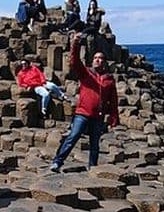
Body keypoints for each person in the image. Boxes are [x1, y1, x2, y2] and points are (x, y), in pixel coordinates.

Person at [50, 33, 118, 171]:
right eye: (96, 58)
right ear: (92, 60)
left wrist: (114, 116)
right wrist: (75, 44)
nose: (98, 60)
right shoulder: (86, 73)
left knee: (95, 143)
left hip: (98, 116)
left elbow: (113, 100)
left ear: (105, 62)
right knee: (73, 137)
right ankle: (58, 162)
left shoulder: (109, 79)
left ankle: (93, 167)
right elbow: (74, 61)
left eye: (101, 58)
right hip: (82, 113)